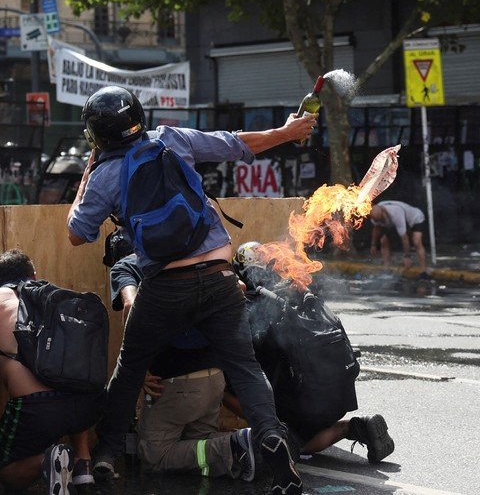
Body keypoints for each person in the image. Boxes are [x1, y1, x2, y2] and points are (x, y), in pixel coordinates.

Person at [66, 85, 316, 495]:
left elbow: (78, 233)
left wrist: (85, 180)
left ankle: (107, 453)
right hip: (220, 276)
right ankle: (271, 437)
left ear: (97, 136)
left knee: (129, 368)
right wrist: (287, 132)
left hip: (165, 285)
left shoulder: (104, 175)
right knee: (245, 368)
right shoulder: (170, 138)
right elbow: (235, 144)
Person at [229, 243, 396, 465]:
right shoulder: (299, 290)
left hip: (305, 406)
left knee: (228, 388)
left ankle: (276, 431)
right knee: (306, 426)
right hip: (339, 395)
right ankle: (357, 426)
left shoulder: (255, 307)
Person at [108, 243, 256, 481]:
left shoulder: (127, 267)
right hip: (215, 377)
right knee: (199, 446)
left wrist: (138, 368)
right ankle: (250, 445)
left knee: (154, 457)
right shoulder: (198, 256)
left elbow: (130, 305)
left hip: (177, 382)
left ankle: (233, 444)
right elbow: (239, 287)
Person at [0, 247, 103, 492]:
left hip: (36, 407)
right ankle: (83, 465)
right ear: (34, 275)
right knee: (74, 379)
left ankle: (48, 460)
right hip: (87, 404)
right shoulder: (58, 297)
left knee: (6, 470)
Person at [368, 200, 429, 276]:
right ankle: (387, 269)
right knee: (383, 241)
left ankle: (424, 271)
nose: (380, 222)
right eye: (378, 220)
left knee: (416, 242)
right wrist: (373, 244)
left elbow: (404, 238)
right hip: (394, 221)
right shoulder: (375, 214)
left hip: (415, 218)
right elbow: (376, 228)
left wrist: (407, 256)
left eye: (381, 220)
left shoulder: (396, 213)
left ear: (384, 213)